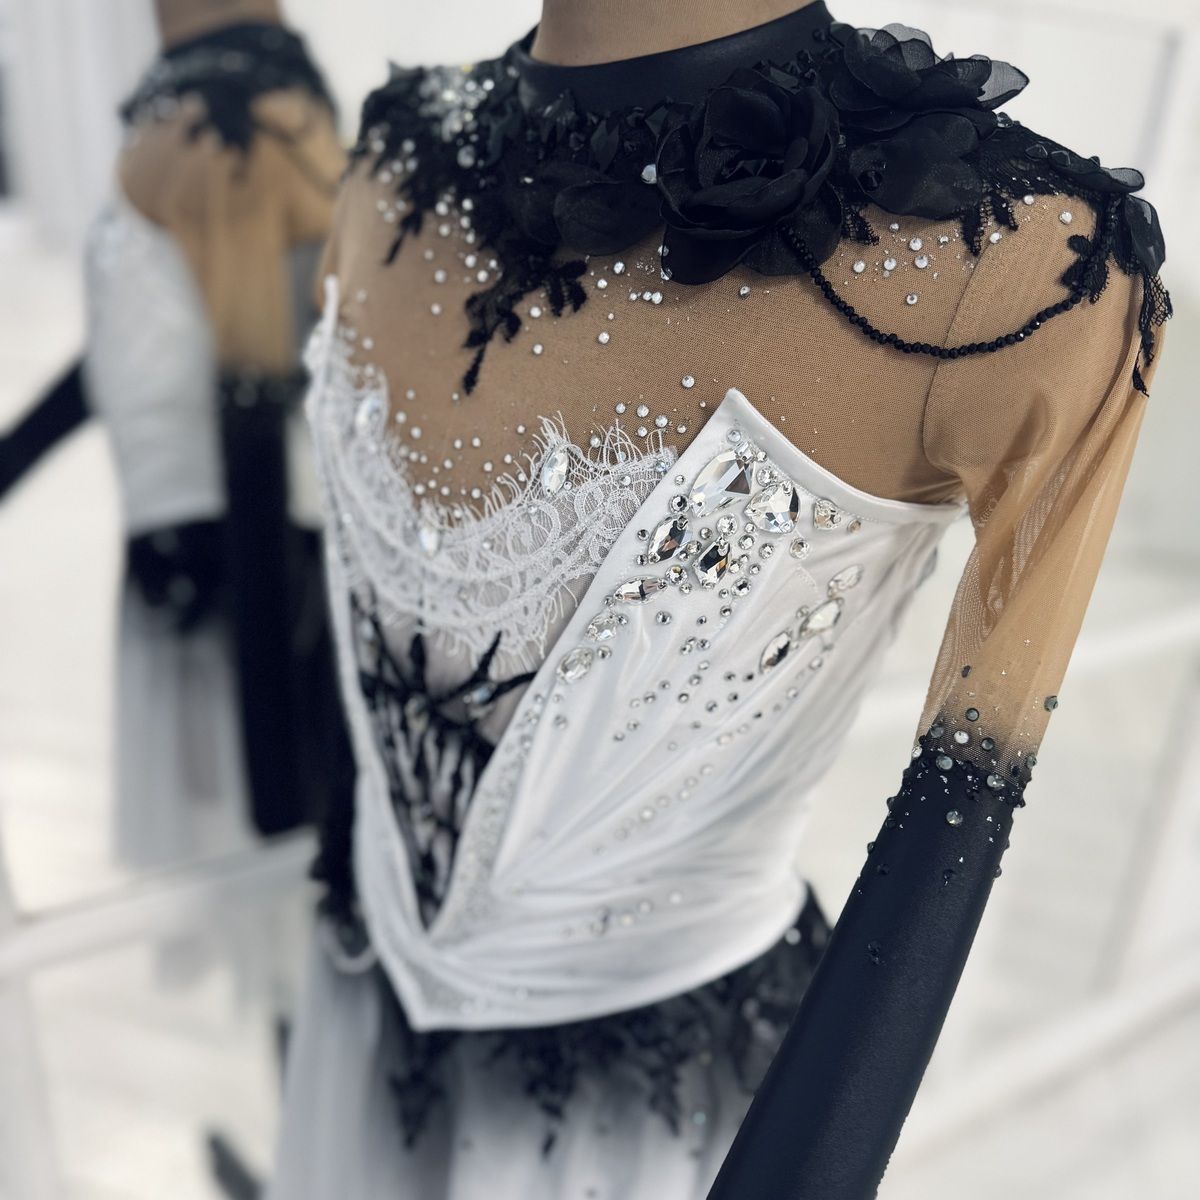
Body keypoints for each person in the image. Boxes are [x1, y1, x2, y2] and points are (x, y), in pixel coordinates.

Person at [270, 3, 1170, 1197]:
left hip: (652, 1123)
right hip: (353, 1019)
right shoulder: (398, 147)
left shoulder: (1016, 260)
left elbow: (957, 817)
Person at [83, 0, 349, 871]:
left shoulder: (233, 132)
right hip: (207, 553)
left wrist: (275, 773)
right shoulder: (204, 120)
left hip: (245, 569)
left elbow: (253, 391)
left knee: (263, 864)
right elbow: (145, 334)